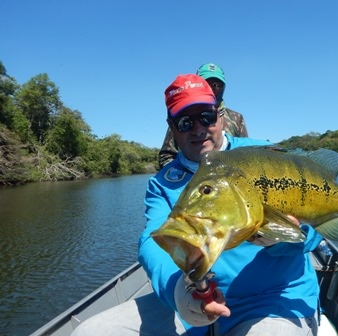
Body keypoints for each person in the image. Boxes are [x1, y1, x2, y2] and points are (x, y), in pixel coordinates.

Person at [72, 74, 323, 336]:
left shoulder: (263, 156)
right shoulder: (163, 183)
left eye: (206, 116)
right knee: (91, 331)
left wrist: (288, 239)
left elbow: (317, 220)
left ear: (221, 116)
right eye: (185, 122)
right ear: (172, 127)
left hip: (273, 300)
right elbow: (153, 239)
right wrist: (178, 292)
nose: (199, 128)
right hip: (200, 300)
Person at [158, 63, 248, 168]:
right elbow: (166, 155)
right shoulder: (180, 120)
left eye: (217, 85)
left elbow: (245, 152)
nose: (213, 89)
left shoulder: (236, 117)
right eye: (207, 84)